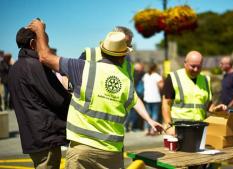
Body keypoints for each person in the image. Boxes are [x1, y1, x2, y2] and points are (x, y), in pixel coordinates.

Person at [28, 19, 163, 169]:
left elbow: (45, 57)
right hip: (112, 150)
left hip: (84, 148)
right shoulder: (123, 75)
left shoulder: (82, 67)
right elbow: (133, 98)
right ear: (123, 54)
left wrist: (40, 30)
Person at [8, 27, 71, 169]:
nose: (46, 47)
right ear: (33, 44)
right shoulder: (36, 66)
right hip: (46, 136)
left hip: (32, 136)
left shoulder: (15, 68)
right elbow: (58, 99)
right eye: (43, 43)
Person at [162, 51, 227, 135]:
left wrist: (216, 109)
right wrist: (168, 126)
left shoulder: (206, 80)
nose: (196, 69)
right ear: (185, 63)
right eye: (193, 66)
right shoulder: (173, 78)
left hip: (200, 128)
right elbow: (166, 104)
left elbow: (208, 105)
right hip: (179, 129)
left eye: (199, 67)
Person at [142, 63, 163, 135]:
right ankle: (153, 130)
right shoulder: (157, 76)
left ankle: (146, 129)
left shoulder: (145, 75)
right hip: (155, 98)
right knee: (155, 114)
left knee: (147, 114)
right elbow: (161, 86)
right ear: (155, 68)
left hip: (147, 97)